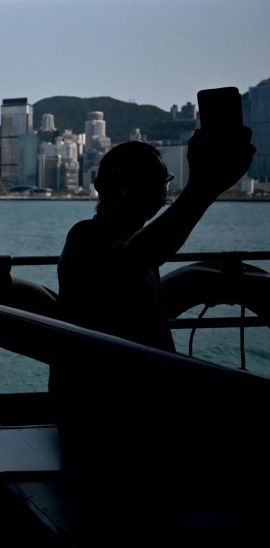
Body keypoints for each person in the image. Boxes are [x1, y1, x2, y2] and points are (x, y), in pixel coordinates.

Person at [48, 127, 256, 470]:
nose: (154, 190)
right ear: (102, 187)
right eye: (138, 180)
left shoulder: (129, 241)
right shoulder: (88, 236)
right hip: (107, 416)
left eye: (160, 180)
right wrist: (204, 186)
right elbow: (138, 254)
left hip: (130, 406)